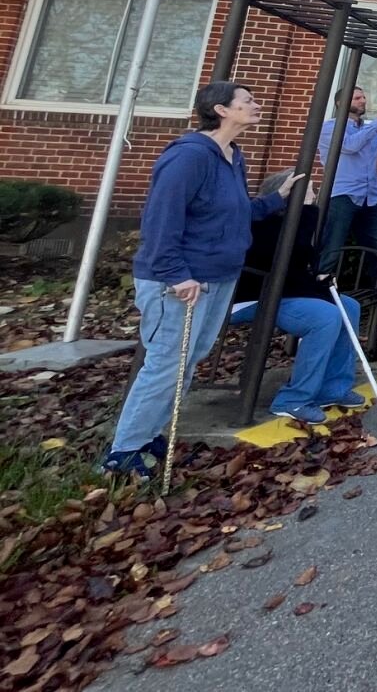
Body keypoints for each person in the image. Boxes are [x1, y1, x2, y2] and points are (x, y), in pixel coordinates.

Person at [102, 82, 300, 477]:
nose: (255, 106)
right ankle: (122, 452)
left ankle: (149, 435)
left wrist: (277, 198)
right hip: (180, 282)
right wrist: (176, 275)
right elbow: (161, 219)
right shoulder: (189, 157)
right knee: (166, 363)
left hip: (219, 276)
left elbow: (236, 210)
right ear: (222, 110)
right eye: (247, 101)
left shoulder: (232, 155)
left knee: (188, 361)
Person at [227, 171, 369, 426]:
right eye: (309, 192)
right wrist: (305, 213)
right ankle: (293, 398)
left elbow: (298, 266)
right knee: (324, 317)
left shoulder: (296, 223)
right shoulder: (261, 225)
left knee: (348, 306)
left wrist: (318, 279)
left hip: (285, 292)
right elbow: (282, 258)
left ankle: (333, 386)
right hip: (254, 297)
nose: (314, 197)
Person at [316, 87, 377, 277]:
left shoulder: (368, 129)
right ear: (341, 103)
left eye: (364, 97)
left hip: (370, 197)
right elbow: (350, 145)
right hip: (342, 196)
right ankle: (319, 291)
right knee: (332, 247)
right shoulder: (330, 127)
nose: (363, 101)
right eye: (357, 98)